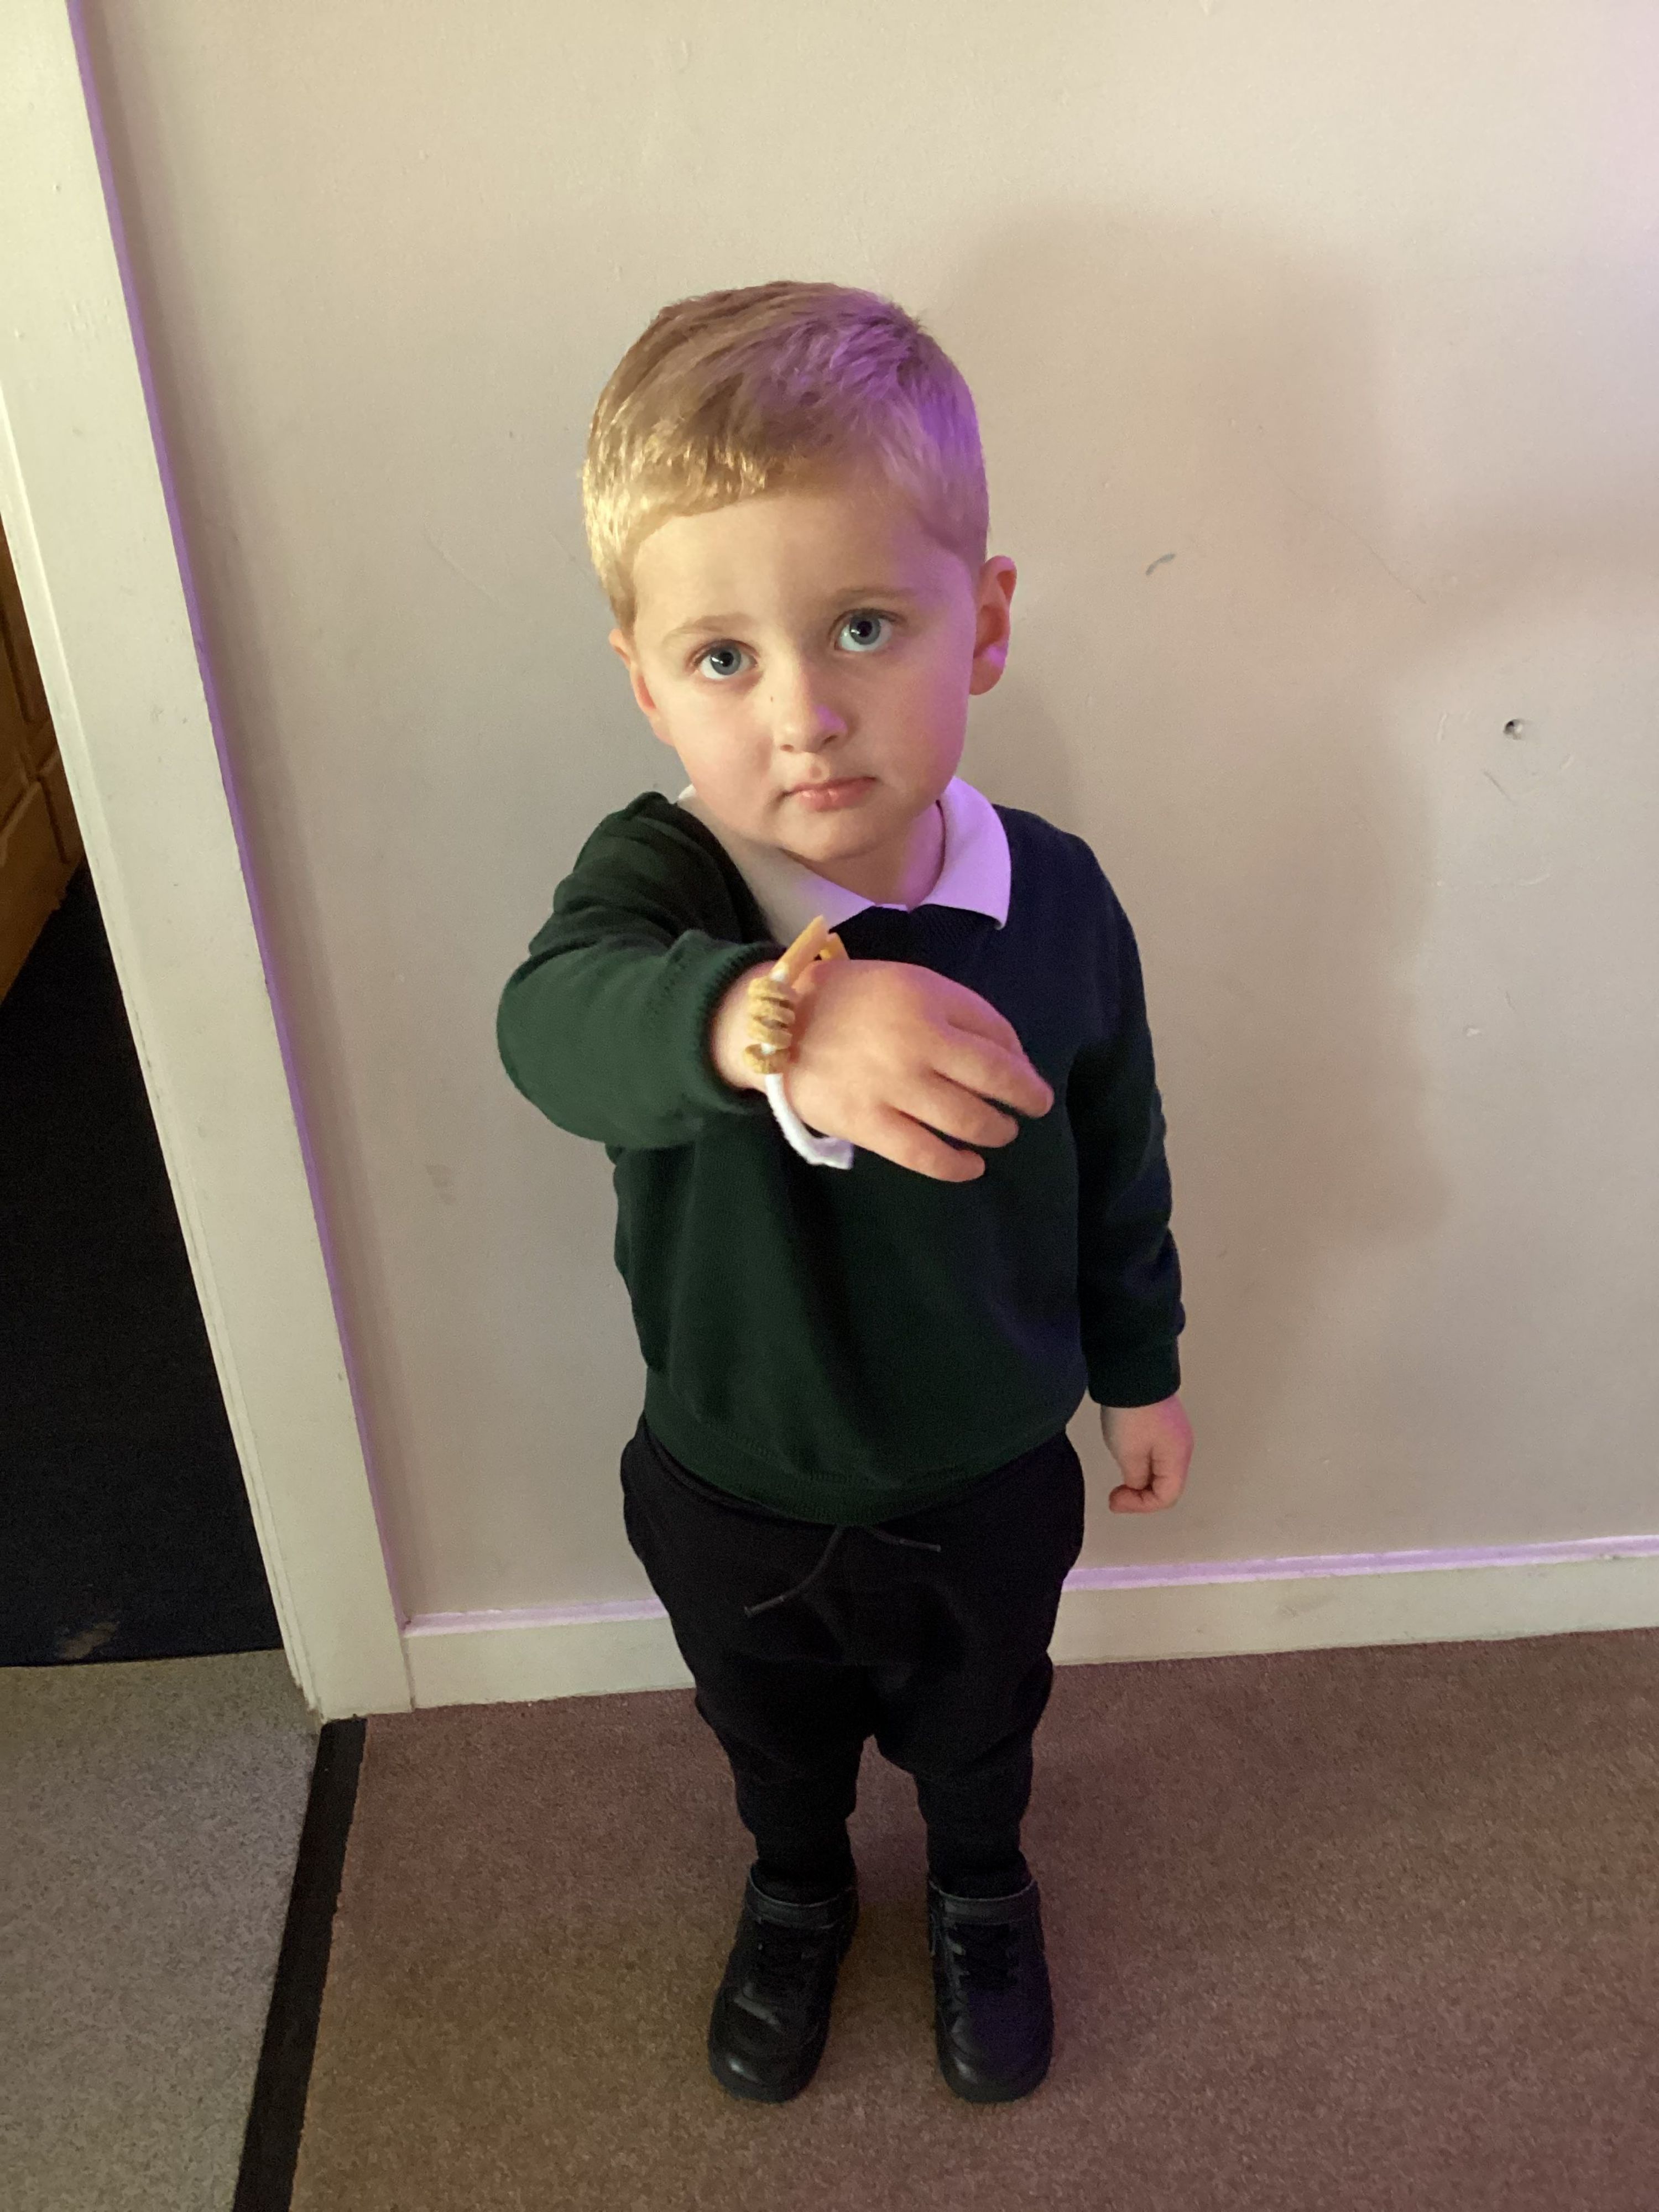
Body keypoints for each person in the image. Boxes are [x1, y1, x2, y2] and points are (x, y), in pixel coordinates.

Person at [496, 280, 1194, 2107]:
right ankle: (799, 1888)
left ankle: (979, 1890)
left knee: (984, 1727)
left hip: (985, 1471)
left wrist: (1142, 1367)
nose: (802, 717)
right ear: (646, 682)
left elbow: (1117, 1154)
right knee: (771, 1738)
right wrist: (771, 1024)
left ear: (986, 625)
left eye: (863, 628)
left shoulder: (1055, 897)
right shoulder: (661, 885)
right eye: (723, 658)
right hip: (734, 1476)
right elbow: (548, 1033)